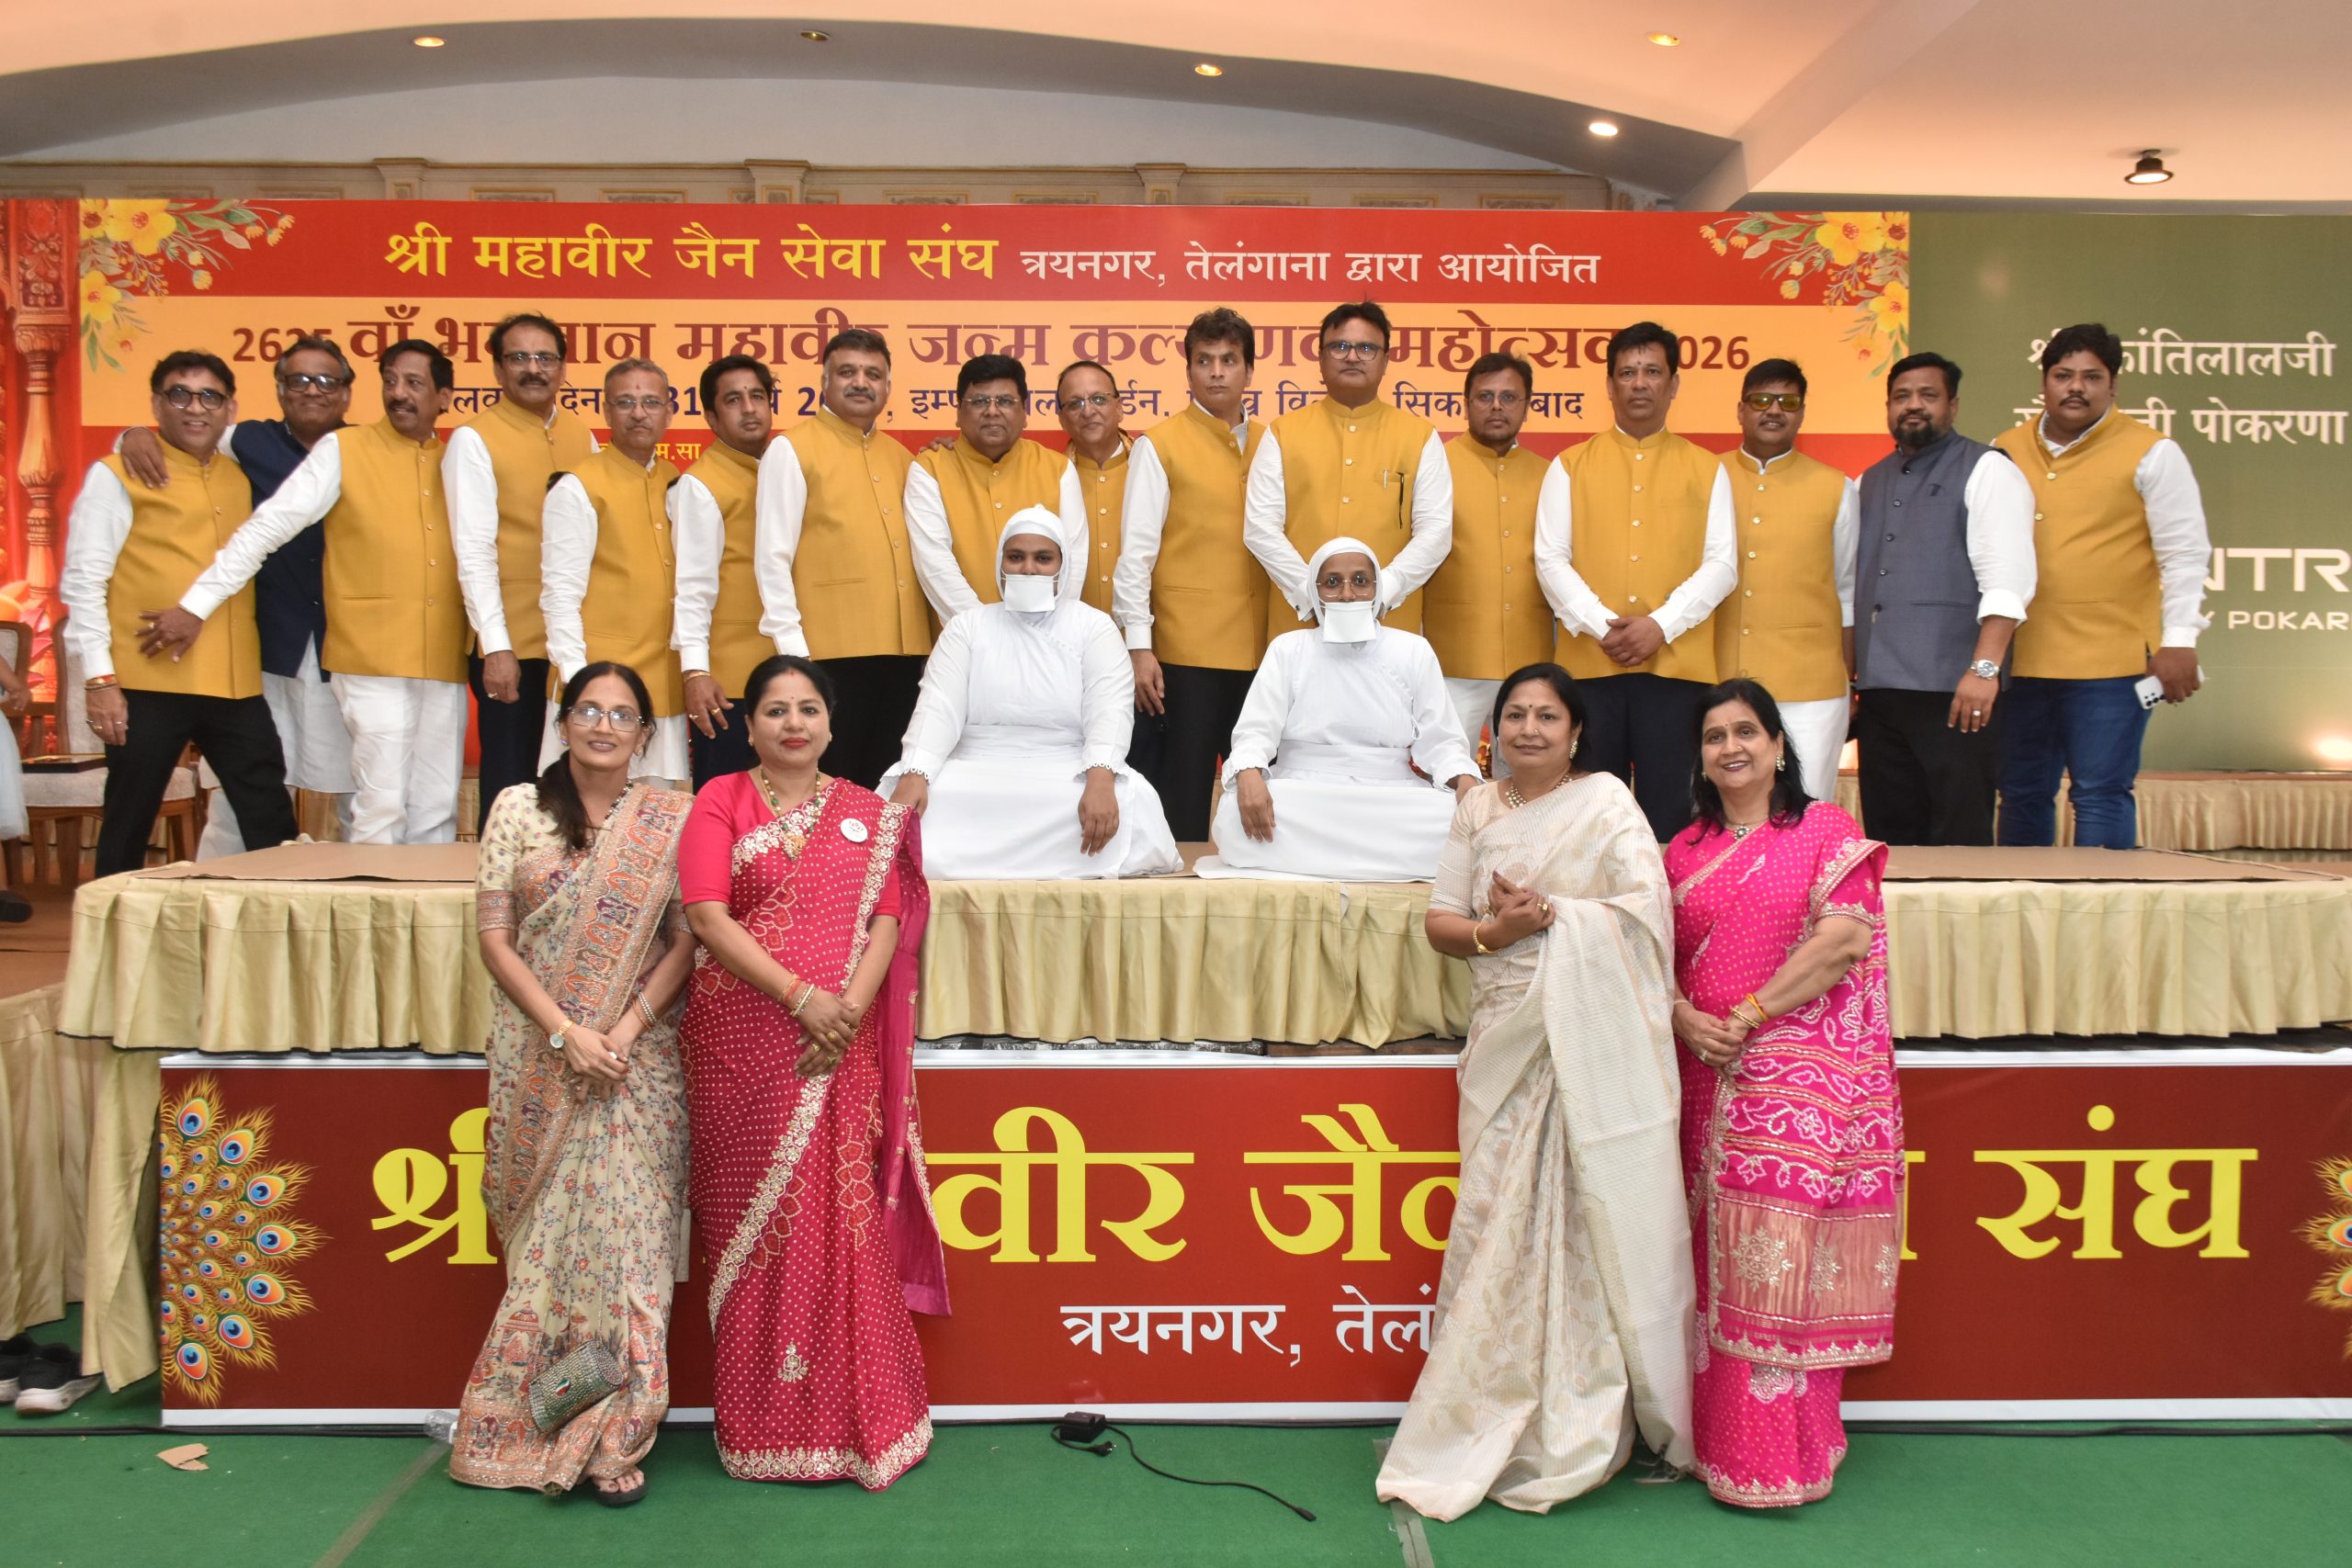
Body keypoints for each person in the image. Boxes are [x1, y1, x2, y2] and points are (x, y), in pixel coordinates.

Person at [1377, 662, 1693, 1517]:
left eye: (1546, 716)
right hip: (1506, 1039)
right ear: (1493, 731)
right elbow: (1442, 921)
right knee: (1493, 1219)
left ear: (1575, 730)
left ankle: (1585, 1415)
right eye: (1513, 714)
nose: (1527, 729)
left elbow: (1645, 913)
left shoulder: (1608, 803)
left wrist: (1553, 915)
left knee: (1588, 1224)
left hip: (1586, 1038)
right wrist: (1497, 930)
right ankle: (1481, 1408)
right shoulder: (1477, 807)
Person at [679, 654, 945, 1487]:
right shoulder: (720, 799)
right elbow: (705, 914)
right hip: (741, 1048)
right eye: (774, 710)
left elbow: (886, 923)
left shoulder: (867, 812)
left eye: (807, 709)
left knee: (843, 1224)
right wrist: (802, 997)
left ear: (830, 723)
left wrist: (845, 1014)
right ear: (749, 724)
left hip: (837, 1048)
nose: (792, 723)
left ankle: (860, 1420)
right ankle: (763, 1424)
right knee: (756, 1231)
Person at [448, 662, 697, 1506]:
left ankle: (616, 1436)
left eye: (622, 715)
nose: (603, 725)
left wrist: (619, 1033)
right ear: (563, 723)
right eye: (588, 709)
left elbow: (686, 940)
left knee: (632, 1260)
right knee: (549, 1265)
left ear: (645, 735)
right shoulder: (518, 808)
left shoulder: (670, 817)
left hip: (634, 1064)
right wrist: (566, 1032)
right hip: (540, 1057)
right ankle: (540, 1417)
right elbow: (496, 937)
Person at [1666, 678, 1900, 1507]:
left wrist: (1749, 1016)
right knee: (1707, 1262)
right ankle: (1706, 1441)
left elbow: (1843, 941)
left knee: (1777, 1263)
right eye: (1714, 736)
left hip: (1798, 1084)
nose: (1730, 747)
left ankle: (1781, 1450)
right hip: (1699, 1074)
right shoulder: (1681, 850)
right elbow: (1648, 958)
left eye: (1746, 732)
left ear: (1776, 745)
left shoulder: (1825, 831)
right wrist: (1684, 1016)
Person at [156, 341, 471, 843]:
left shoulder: (455, 457)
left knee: (431, 806)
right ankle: (353, 895)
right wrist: (196, 605)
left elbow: (478, 556)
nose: (398, 393)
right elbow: (263, 528)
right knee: (374, 804)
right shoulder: (335, 448)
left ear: (444, 396)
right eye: (390, 381)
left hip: (435, 654)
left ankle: (418, 895)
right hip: (344, 651)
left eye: (414, 383)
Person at [59, 350, 297, 876]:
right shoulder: (118, 474)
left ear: (230, 408)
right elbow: (84, 582)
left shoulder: (242, 475)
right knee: (128, 820)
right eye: (180, 394)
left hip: (233, 683)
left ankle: (283, 922)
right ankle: (111, 925)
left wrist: (128, 434)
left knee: (270, 817)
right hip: (148, 681)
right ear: (156, 404)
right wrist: (100, 681)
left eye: (210, 396)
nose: (195, 408)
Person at [122, 335, 358, 852]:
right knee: (243, 791)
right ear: (279, 390)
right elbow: (188, 432)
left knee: (357, 788)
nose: (312, 390)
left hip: (345, 645)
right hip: (266, 642)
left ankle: (353, 892)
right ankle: (222, 888)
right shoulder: (247, 441)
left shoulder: (365, 449)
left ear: (346, 393)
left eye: (327, 381)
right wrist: (132, 433)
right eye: (298, 380)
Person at [1994, 322, 2211, 849]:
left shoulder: (2152, 452)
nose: (2076, 387)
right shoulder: (2004, 449)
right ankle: (2019, 902)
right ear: (2043, 383)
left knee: (2100, 794)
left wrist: (2179, 639)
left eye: (2092, 377)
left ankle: (2103, 904)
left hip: (2111, 665)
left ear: (2113, 385)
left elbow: (2184, 553)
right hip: (2020, 660)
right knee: (2021, 794)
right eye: (2063, 375)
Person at [883, 508, 1180, 879]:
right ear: (1001, 563)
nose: (1028, 569)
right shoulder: (967, 627)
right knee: (917, 799)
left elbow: (1110, 711)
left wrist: (1101, 778)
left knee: (1134, 799)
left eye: (1042, 558)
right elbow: (937, 707)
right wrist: (916, 773)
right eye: (1016, 557)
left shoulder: (1094, 627)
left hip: (1068, 768)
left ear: (1062, 566)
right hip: (976, 767)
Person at [1535, 321, 1736, 841]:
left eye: (1652, 372)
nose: (1640, 383)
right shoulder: (1570, 465)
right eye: (1627, 373)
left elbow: (1722, 565)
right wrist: (1604, 625)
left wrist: (1660, 626)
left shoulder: (1706, 468)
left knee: (1671, 817)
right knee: (1586, 817)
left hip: (1678, 671)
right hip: (1590, 668)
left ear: (1674, 384)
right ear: (1609, 385)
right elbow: (1550, 559)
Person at [1203, 537, 1478, 882]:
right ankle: (1384, 860)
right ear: (1315, 591)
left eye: (1360, 581)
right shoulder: (1288, 648)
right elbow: (1256, 732)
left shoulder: (1413, 650)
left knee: (1448, 817)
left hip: (1390, 798)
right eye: (1332, 582)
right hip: (1303, 792)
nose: (1347, 594)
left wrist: (1465, 781)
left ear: (1377, 588)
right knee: (1234, 815)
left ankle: (1307, 858)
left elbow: (1442, 742)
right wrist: (1248, 775)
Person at [1852, 352, 2037, 846]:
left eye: (1928, 395)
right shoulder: (1868, 481)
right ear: (1888, 407)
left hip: (1956, 694)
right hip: (1881, 695)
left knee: (1959, 835)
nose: (1913, 405)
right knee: (1891, 837)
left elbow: (2009, 581)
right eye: (1901, 396)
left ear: (1953, 406)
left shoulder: (1987, 469)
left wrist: (1984, 672)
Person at [754, 328, 933, 790]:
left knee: (886, 787)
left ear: (888, 386)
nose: (860, 383)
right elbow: (772, 557)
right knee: (830, 786)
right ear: (825, 381)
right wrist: (794, 656)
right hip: (828, 656)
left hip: (903, 654)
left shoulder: (902, 457)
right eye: (847, 372)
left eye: (873, 374)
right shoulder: (793, 448)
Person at [1114, 307, 1270, 840]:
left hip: (1267, 649)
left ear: (1249, 370)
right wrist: (1139, 646)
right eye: (1204, 361)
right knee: (1181, 799)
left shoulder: (1275, 442)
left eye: (1229, 360)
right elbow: (1135, 555)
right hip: (1186, 653)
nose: (1217, 372)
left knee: (1265, 794)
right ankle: (1174, 887)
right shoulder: (1160, 444)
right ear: (1188, 370)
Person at [449, 312, 598, 829]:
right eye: (519, 358)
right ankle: (500, 874)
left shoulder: (582, 436)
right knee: (512, 782)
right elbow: (473, 551)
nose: (534, 369)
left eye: (545, 358)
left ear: (563, 367)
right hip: (512, 643)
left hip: (571, 644)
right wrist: (495, 646)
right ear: (497, 369)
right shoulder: (474, 439)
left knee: (571, 778)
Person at [1244, 300, 1452, 639]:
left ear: (1386, 360)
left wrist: (1383, 590)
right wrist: (1311, 592)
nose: (1352, 357)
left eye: (1366, 348)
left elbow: (1435, 532)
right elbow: (1260, 528)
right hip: (1301, 626)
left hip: (1389, 625)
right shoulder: (1282, 433)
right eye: (1339, 347)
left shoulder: (1420, 437)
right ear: (1320, 357)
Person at [1713, 360, 1859, 805]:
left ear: (1802, 413)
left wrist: (1850, 680)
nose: (1774, 410)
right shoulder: (1706, 477)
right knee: (1722, 809)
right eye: (1761, 400)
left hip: (1811, 687)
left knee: (1805, 809)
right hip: (1717, 678)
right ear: (1740, 410)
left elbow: (1847, 589)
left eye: (1788, 402)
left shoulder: (1837, 487)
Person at [539, 358, 688, 783]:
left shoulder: (677, 481)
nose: (639, 413)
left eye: (651, 402)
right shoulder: (578, 487)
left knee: (656, 812)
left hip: (663, 689)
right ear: (606, 411)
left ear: (669, 412)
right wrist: (578, 689)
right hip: (598, 695)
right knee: (584, 810)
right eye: (625, 402)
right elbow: (559, 596)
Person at [1428, 351, 1555, 776]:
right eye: (1485, 396)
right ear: (1465, 403)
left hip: (1531, 657)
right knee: (1447, 781)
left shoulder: (1551, 475)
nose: (1497, 406)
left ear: (1527, 405)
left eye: (1509, 397)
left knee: (1527, 785)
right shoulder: (1435, 464)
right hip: (1453, 659)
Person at [904, 354, 1088, 618]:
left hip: (1048, 634)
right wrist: (982, 631)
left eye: (1005, 401)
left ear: (1024, 412)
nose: (992, 411)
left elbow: (1073, 561)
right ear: (958, 412)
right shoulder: (929, 469)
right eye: (979, 401)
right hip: (963, 636)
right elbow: (935, 564)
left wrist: (1049, 627)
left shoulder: (1057, 469)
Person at [671, 354, 775, 787]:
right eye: (733, 400)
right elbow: (692, 587)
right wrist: (696, 671)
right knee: (725, 805)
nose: (749, 409)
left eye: (757, 397)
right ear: (712, 418)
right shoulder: (701, 483)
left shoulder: (783, 469)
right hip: (728, 685)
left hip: (784, 675)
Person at [1057, 359, 1131, 614]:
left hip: (1149, 632)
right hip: (1071, 631)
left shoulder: (1154, 469)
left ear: (1119, 408)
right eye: (1074, 403)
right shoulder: (1048, 478)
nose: (1088, 411)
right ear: (1062, 420)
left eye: (1099, 399)